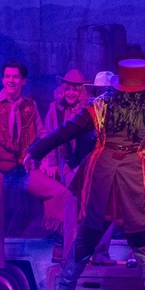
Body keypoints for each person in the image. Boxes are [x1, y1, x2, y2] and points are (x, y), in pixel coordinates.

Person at [24, 59, 145, 290]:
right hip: (134, 173)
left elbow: (67, 130)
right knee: (140, 237)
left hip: (106, 171)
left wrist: (36, 150)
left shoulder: (101, 105)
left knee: (89, 235)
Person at [0, 60, 68, 290]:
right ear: (2, 79)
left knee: (60, 192)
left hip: (21, 169)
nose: (10, 80)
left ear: (23, 81)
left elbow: (42, 135)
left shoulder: (29, 105)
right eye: (7, 76)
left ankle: (61, 246)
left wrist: (46, 162)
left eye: (15, 77)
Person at [43, 69, 97, 263]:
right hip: (66, 163)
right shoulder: (55, 109)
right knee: (70, 202)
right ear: (62, 90)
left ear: (81, 92)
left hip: (85, 162)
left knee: (84, 206)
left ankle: (82, 250)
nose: (71, 93)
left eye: (75, 90)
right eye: (68, 89)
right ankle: (67, 251)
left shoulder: (87, 110)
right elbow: (49, 136)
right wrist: (52, 163)